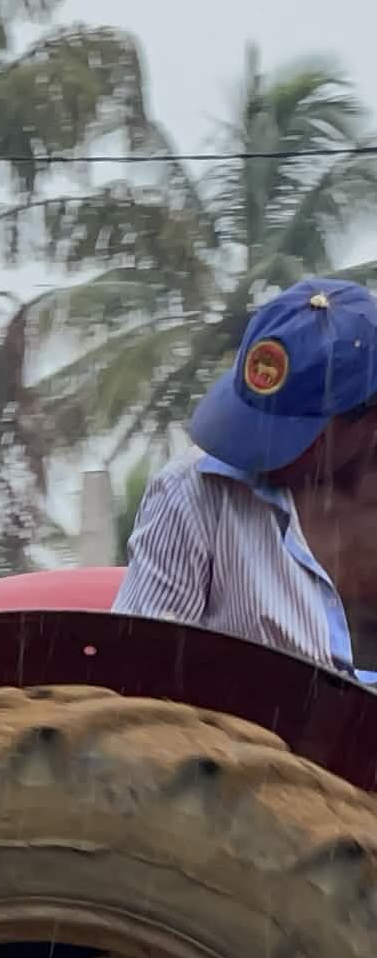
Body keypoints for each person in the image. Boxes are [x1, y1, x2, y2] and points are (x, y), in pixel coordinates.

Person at [115, 277, 377, 673]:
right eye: (252, 422)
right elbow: (138, 670)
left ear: (366, 419)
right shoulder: (193, 490)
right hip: (244, 733)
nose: (260, 449)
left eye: (291, 435)